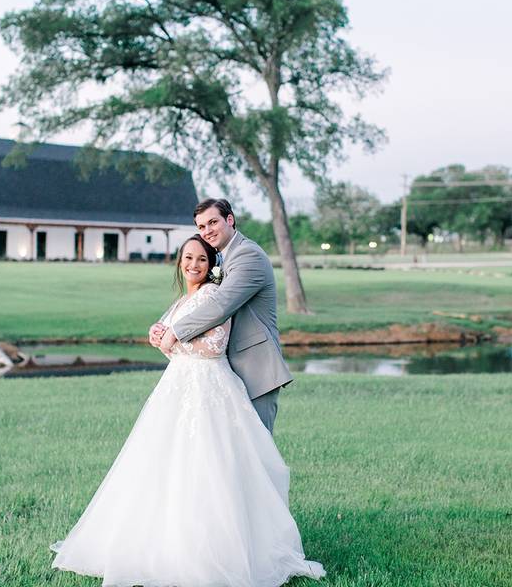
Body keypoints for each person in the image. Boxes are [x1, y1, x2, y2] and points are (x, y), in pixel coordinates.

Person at [50, 235, 324, 586]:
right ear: (179, 262)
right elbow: (173, 345)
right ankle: (159, 543)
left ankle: (216, 550)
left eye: (201, 260)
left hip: (210, 388)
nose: (193, 265)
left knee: (210, 466)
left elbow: (214, 346)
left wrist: (174, 338)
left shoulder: (213, 296)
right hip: (177, 387)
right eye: (188, 258)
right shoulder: (184, 299)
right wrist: (159, 335)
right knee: (162, 465)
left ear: (211, 267)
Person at [152, 198, 292, 434]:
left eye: (213, 222)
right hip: (227, 368)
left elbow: (220, 305)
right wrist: (162, 326)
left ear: (230, 219)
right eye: (201, 227)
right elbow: (199, 297)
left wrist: (175, 332)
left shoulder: (248, 255)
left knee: (257, 450)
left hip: (254, 366)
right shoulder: (222, 257)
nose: (207, 231)